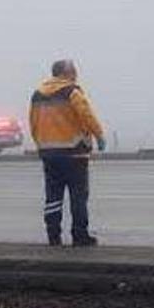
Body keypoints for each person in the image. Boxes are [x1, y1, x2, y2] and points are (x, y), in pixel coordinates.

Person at [29, 59, 106, 247]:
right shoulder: (72, 92)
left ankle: (53, 235)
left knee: (53, 196)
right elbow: (86, 115)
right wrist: (99, 135)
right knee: (78, 196)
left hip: (49, 154)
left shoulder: (37, 95)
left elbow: (32, 122)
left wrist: (41, 144)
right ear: (66, 73)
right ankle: (80, 235)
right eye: (73, 71)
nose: (76, 74)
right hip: (74, 153)